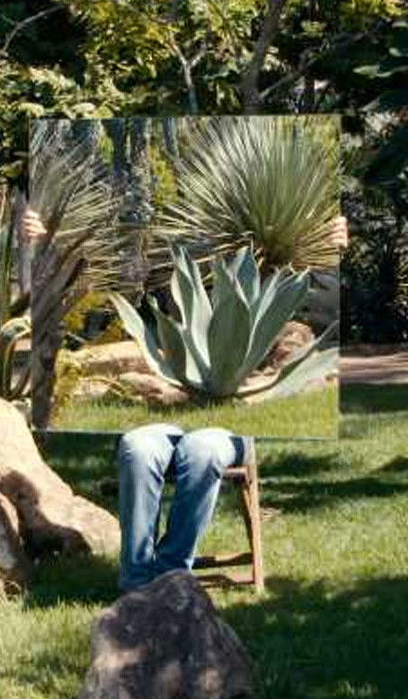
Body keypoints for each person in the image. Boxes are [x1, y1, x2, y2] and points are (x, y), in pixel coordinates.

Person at [21, 208, 348, 590]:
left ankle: (172, 572)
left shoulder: (267, 255)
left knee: (202, 450)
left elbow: (328, 319)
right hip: (164, 416)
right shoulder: (157, 259)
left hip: (228, 427)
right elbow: (75, 311)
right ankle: (137, 581)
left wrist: (333, 257)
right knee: (137, 447)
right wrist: (41, 248)